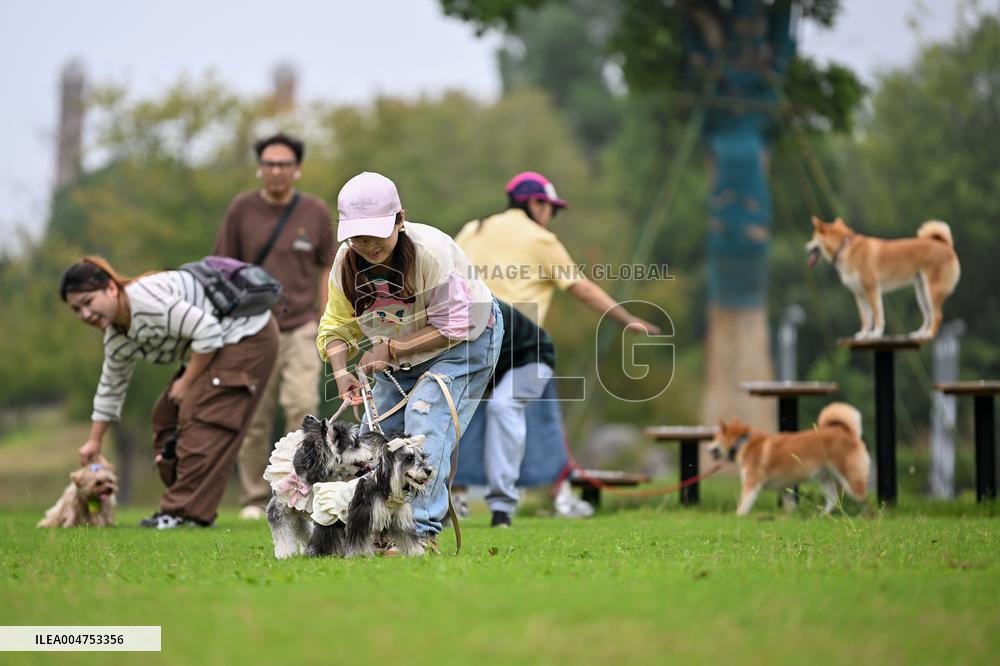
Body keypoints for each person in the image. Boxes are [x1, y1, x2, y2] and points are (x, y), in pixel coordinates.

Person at [454, 171, 660, 517]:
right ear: (534, 203)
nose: (551, 217)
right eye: (551, 208)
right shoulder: (540, 239)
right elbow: (581, 287)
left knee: (463, 419)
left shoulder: (472, 228)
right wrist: (626, 318)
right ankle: (560, 496)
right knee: (544, 418)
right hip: (522, 346)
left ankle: (456, 498)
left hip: (471, 340)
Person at [318, 171, 502, 554]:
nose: (367, 244)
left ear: (399, 220)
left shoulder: (430, 252)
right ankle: (380, 527)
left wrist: (393, 350)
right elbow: (336, 327)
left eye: (376, 232)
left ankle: (419, 533)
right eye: (357, 235)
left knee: (424, 420)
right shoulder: (345, 266)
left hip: (464, 342)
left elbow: (458, 323)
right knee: (375, 435)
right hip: (400, 346)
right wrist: (340, 373)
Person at [61, 256, 278, 529]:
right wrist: (94, 441)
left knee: (201, 416)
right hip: (217, 344)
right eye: (76, 310)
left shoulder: (145, 301)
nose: (85, 315)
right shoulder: (118, 336)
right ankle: (190, 498)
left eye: (88, 302)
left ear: (111, 289)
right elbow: (110, 389)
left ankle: (184, 513)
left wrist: (186, 382)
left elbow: (207, 330)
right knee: (165, 417)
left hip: (247, 334)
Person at [212, 132, 334, 520]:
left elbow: (328, 264)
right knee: (252, 415)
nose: (276, 170)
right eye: (269, 164)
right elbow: (222, 266)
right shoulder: (241, 209)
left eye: (283, 164)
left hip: (300, 324)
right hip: (251, 326)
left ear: (297, 170)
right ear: (259, 168)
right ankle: (252, 498)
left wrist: (323, 314)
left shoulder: (314, 211)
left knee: (302, 406)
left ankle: (302, 490)